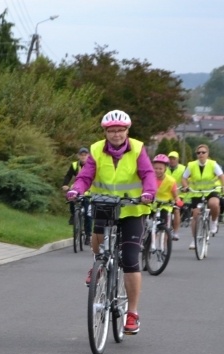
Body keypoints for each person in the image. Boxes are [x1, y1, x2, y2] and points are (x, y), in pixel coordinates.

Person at [66, 110, 156, 335]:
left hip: (132, 209)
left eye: (120, 130)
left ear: (127, 130)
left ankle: (132, 314)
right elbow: (87, 174)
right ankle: (98, 265)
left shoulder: (137, 148)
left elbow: (147, 173)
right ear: (105, 132)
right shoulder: (96, 149)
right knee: (97, 244)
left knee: (130, 260)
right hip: (105, 205)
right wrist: (77, 189)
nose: (116, 134)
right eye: (111, 130)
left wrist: (149, 192)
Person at [181, 143, 223, 247]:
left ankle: (214, 221)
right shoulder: (191, 165)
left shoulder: (213, 164)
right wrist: (186, 186)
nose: (201, 154)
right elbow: (184, 178)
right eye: (198, 153)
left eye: (203, 152)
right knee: (195, 215)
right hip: (197, 192)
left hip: (211, 190)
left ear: (207, 154)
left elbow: (221, 176)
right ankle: (194, 240)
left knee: (214, 203)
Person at [62, 147, 92, 245]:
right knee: (71, 198)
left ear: (88, 156)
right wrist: (65, 185)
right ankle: (73, 215)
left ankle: (88, 235)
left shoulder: (92, 165)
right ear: (78, 156)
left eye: (85, 155)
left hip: (88, 192)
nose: (83, 157)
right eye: (81, 155)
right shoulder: (74, 165)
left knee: (88, 214)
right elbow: (68, 175)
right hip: (77, 190)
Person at [151, 154, 181, 240]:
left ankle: (165, 241)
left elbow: (176, 195)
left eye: (160, 169)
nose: (158, 171)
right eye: (155, 168)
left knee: (164, 223)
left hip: (165, 206)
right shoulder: (150, 178)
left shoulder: (171, 181)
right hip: (152, 205)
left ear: (165, 169)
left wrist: (179, 203)